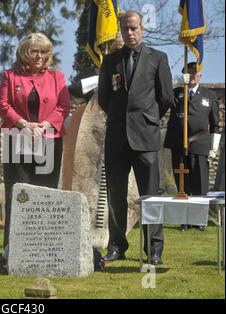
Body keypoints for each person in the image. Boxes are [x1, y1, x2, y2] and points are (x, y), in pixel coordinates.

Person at [98, 11, 175, 265]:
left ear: (143, 29)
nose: (129, 33)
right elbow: (104, 99)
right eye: (125, 29)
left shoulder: (158, 58)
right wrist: (122, 119)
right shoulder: (110, 61)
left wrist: (146, 118)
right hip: (117, 138)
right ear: (121, 30)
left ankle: (154, 249)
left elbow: (165, 98)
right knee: (115, 194)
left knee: (150, 196)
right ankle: (117, 245)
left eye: (134, 28)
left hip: (145, 136)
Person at [0, 32, 71, 269]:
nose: (39, 56)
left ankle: (44, 249)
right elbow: (3, 105)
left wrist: (44, 125)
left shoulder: (57, 77)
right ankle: (10, 250)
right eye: (34, 51)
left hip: (48, 139)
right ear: (24, 52)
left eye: (44, 52)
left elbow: (63, 106)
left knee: (45, 193)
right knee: (17, 193)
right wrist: (24, 125)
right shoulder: (10, 76)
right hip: (15, 139)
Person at [164, 62, 221, 231]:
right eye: (188, 73)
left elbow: (215, 123)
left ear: (200, 75)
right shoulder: (176, 93)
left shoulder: (209, 95)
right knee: (183, 184)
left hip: (200, 144)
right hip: (178, 144)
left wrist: (213, 147)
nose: (192, 76)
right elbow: (163, 95)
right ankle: (185, 220)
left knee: (201, 183)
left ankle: (199, 220)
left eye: (194, 73)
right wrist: (178, 83)